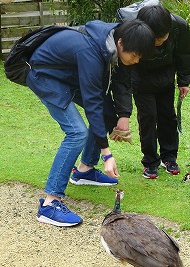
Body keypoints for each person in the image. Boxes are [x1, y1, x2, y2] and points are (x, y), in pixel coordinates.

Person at [26, 19, 155, 226]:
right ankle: (50, 204)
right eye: (135, 55)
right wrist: (107, 154)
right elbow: (92, 102)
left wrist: (116, 118)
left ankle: (84, 170)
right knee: (77, 133)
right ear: (121, 44)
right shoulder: (91, 52)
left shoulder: (109, 44)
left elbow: (100, 100)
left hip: (64, 76)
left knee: (103, 112)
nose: (137, 60)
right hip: (44, 75)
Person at [112, 4, 190, 179]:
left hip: (166, 77)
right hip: (141, 79)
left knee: (168, 116)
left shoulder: (178, 26)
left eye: (161, 39)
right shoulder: (133, 31)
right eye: (154, 39)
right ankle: (150, 161)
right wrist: (123, 112)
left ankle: (169, 157)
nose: (158, 43)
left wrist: (184, 80)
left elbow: (186, 53)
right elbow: (123, 70)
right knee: (148, 117)